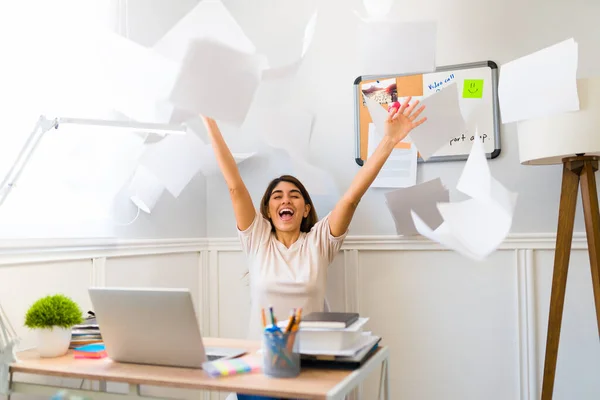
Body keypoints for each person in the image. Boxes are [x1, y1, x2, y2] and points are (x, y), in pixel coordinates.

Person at [202, 97, 426, 400]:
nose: (286, 201)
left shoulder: (319, 242)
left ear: (306, 209)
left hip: (311, 365)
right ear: (267, 211)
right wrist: (209, 121)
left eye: (294, 196)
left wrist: (388, 140)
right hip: (261, 366)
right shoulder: (257, 239)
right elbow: (235, 186)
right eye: (277, 196)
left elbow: (350, 199)